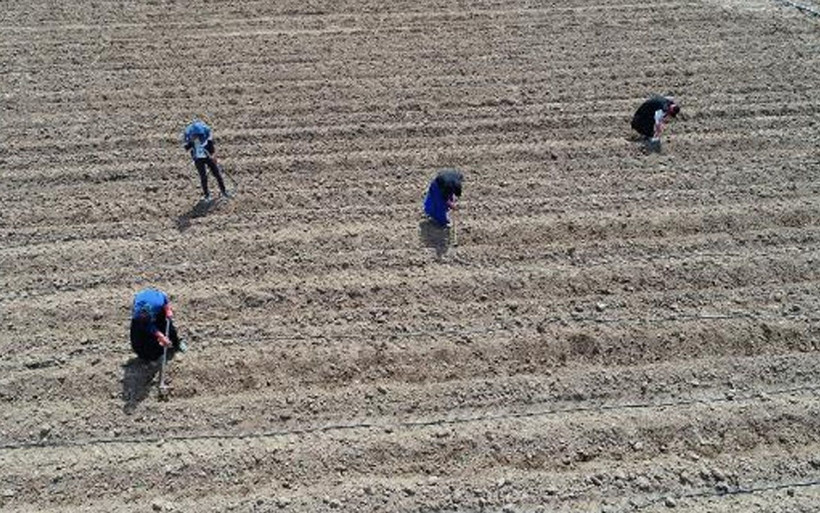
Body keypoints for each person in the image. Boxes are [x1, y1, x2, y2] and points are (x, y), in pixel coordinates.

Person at [130, 288, 186, 361]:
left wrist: (167, 309)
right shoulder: (137, 314)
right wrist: (160, 336)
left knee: (167, 325)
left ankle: (176, 343)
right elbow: (148, 326)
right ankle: (147, 356)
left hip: (156, 306)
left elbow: (164, 297)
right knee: (139, 336)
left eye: (147, 316)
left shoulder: (157, 302)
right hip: (140, 317)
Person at [183, 118, 231, 201]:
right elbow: (187, 148)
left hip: (208, 158)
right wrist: (191, 143)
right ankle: (207, 195)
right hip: (198, 160)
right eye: (194, 135)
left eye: (197, 135)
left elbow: (211, 147)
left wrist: (213, 156)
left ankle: (224, 191)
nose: (196, 137)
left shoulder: (206, 135)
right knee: (203, 177)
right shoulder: (190, 138)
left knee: (217, 174)